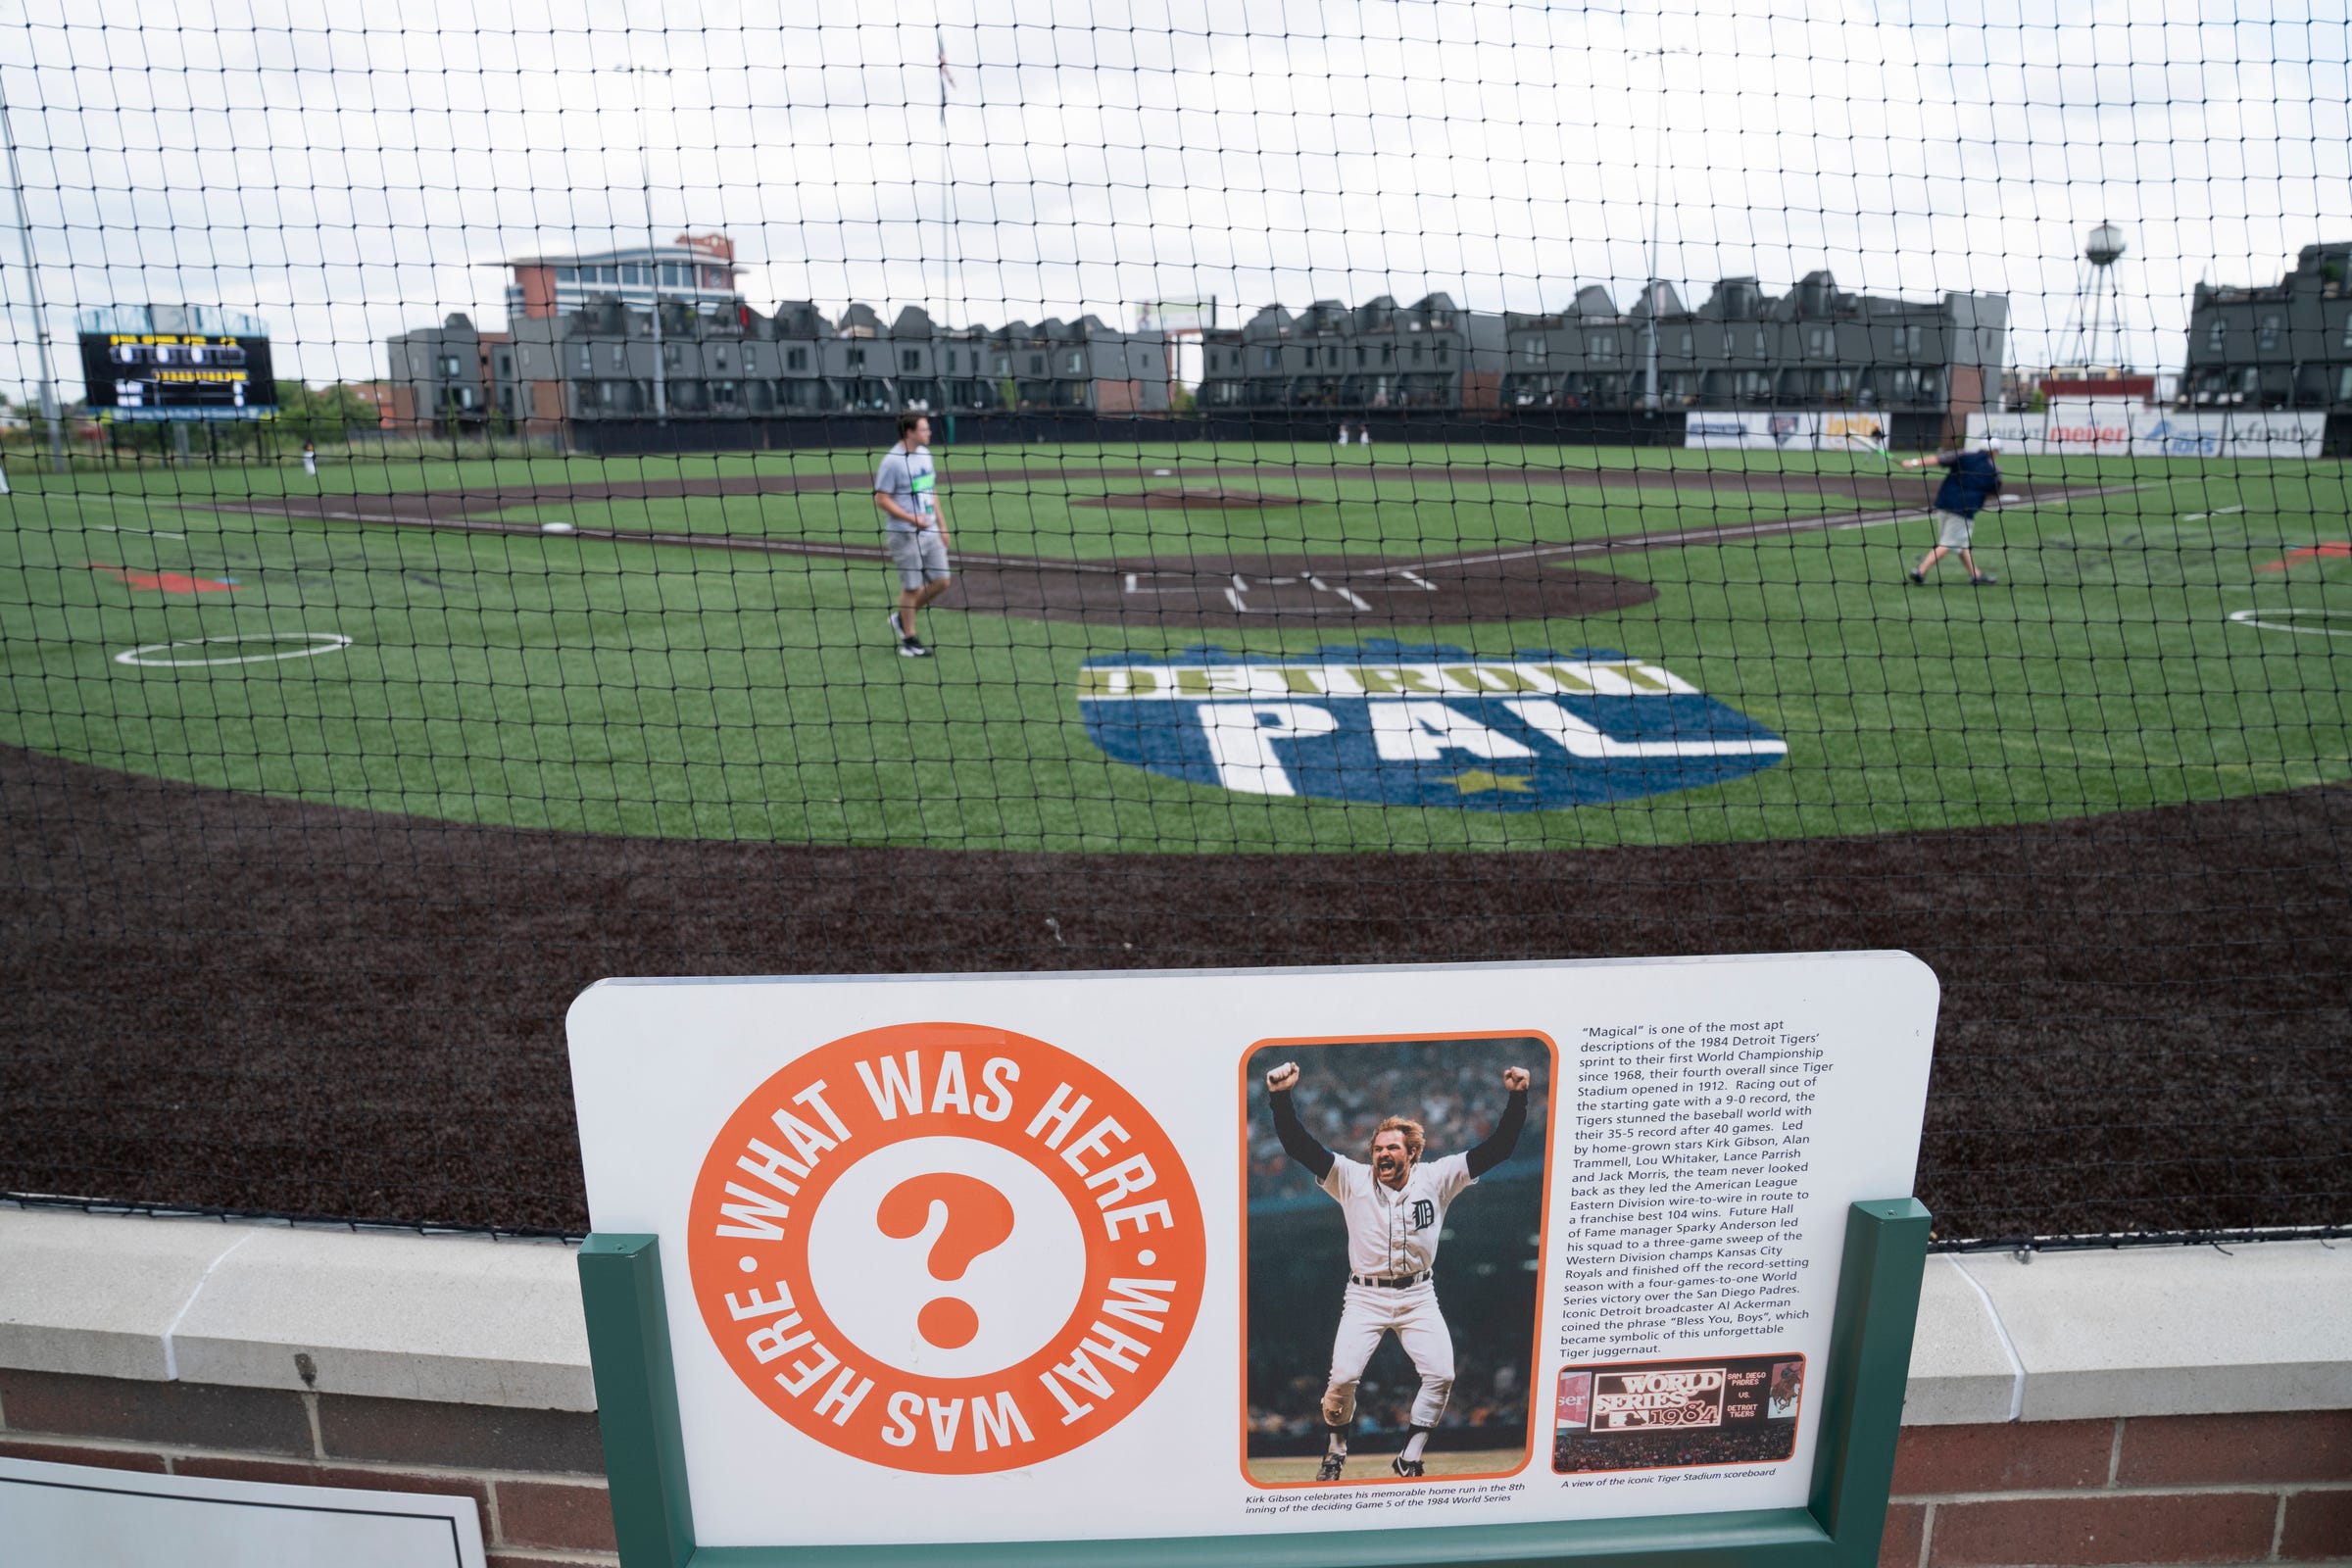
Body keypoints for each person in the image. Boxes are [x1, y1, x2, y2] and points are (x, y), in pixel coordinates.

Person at [1263, 1056, 1532, 1481]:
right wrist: (1280, 1098)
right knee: (1344, 1378)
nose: (1382, 1154)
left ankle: (1410, 1456)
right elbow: (1300, 1147)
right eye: (1377, 1148)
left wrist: (1517, 1099)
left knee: (1442, 1374)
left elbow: (1497, 1150)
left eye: (1391, 1148)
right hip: (1365, 1296)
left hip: (1418, 1295)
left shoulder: (1439, 1177)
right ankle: (1335, 1451)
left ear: (1413, 1153)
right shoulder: (1351, 1178)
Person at [873, 412, 952, 658]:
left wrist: (943, 525)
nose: (929, 433)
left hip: (930, 532)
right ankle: (909, 641)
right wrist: (911, 519)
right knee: (912, 586)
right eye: (924, 429)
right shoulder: (893, 461)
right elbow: (881, 498)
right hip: (904, 534)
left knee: (942, 580)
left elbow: (931, 490)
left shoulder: (926, 455)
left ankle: (901, 617)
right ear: (910, 432)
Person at [1903, 439, 2001, 585]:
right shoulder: (1994, 470)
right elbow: (1994, 492)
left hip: (1944, 502)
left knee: (1961, 543)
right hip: (1964, 509)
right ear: (1994, 452)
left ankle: (1976, 575)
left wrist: (1914, 462)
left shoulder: (1963, 455)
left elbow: (1937, 459)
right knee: (1947, 543)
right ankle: (1920, 571)